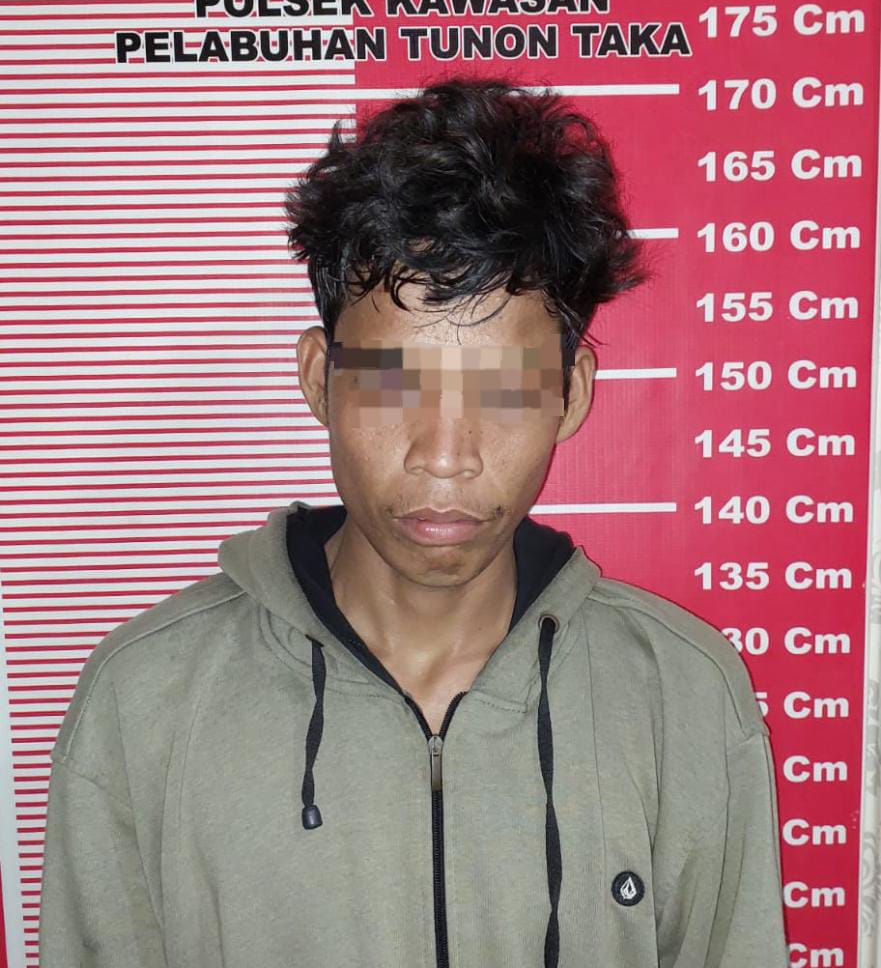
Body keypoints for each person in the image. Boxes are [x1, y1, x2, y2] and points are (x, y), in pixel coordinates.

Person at [38, 77, 789, 967]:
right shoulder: (146, 700)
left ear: (571, 394)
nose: (444, 455)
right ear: (319, 379)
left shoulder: (681, 697)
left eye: (501, 391)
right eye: (395, 384)